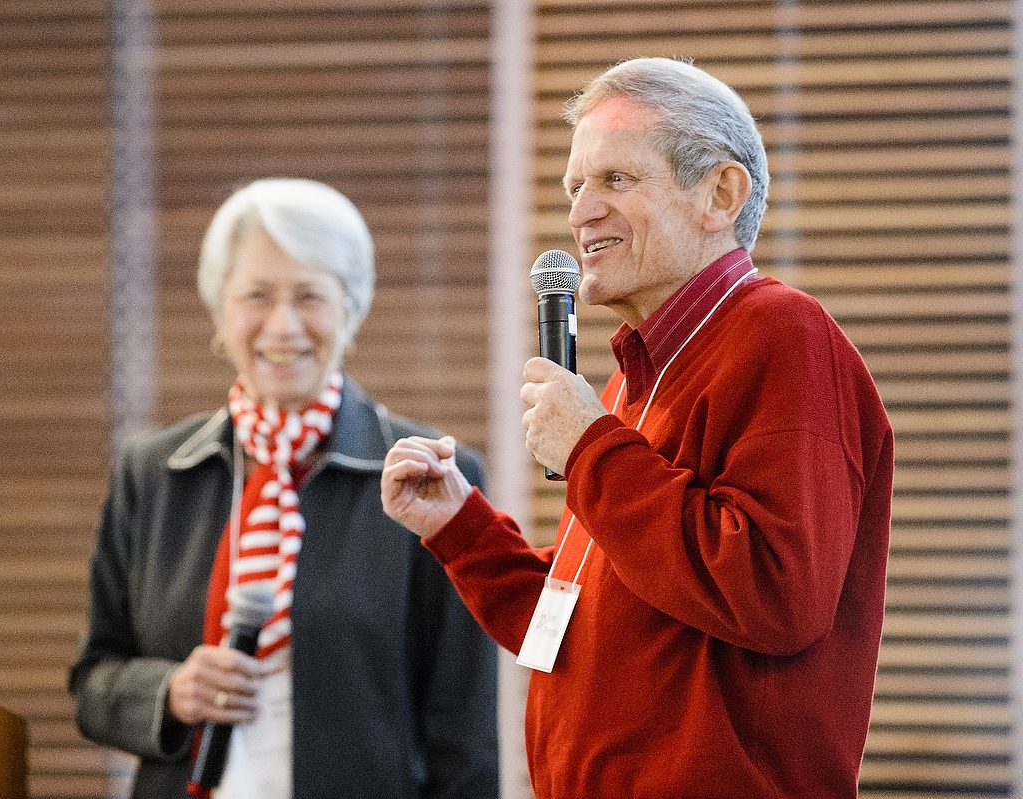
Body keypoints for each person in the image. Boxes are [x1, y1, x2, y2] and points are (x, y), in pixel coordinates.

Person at [381, 57, 894, 799]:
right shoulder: (631, 385)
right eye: (575, 187)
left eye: (615, 180)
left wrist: (592, 449)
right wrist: (460, 526)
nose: (581, 211)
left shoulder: (782, 335)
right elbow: (576, 630)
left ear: (720, 194)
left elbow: (776, 593)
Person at [69, 177, 499, 798]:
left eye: (309, 296)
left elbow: (465, 732)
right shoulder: (153, 473)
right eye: (257, 296)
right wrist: (168, 692)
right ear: (220, 311)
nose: (283, 325)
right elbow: (93, 683)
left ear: (351, 308)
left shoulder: (427, 475)